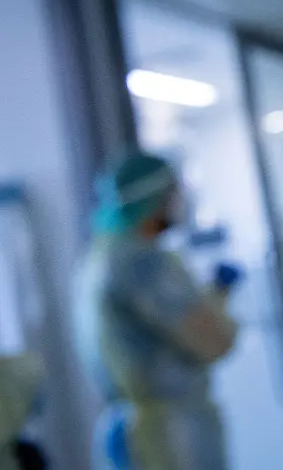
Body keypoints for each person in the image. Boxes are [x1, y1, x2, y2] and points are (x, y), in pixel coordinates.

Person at [73, 153, 242, 470]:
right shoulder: (142, 262)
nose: (179, 202)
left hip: (135, 429)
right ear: (153, 200)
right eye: (173, 193)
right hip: (170, 435)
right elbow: (212, 341)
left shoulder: (103, 257)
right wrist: (220, 306)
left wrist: (214, 295)